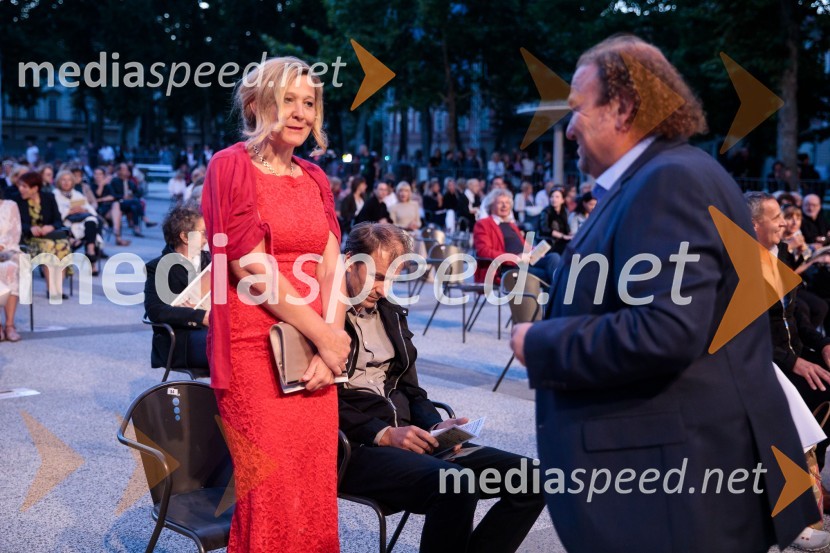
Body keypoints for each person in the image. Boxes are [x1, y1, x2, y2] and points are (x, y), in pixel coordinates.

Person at [509, 35, 817, 553]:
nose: (571, 124)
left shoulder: (668, 181)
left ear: (624, 108)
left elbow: (668, 328)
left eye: (580, 109)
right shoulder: (668, 175)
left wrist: (540, 340)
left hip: (675, 492)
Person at [202, 56, 350, 552]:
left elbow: (334, 269)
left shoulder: (315, 177)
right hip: (254, 354)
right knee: (269, 493)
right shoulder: (230, 165)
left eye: (308, 102)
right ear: (254, 103)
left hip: (316, 357)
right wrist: (327, 338)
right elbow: (251, 267)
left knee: (313, 493)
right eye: (288, 99)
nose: (300, 112)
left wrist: (333, 347)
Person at [338, 222, 545, 552]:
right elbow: (323, 401)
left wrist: (435, 425)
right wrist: (383, 433)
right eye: (377, 277)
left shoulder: (390, 313)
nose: (384, 288)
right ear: (349, 262)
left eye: (392, 278)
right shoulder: (325, 320)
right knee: (458, 486)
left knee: (533, 478)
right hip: (356, 448)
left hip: (411, 439)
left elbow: (411, 390)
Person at [143, 205, 210, 370]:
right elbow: (156, 311)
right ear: (185, 237)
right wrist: (199, 315)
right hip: (180, 339)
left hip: (212, 329)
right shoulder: (158, 267)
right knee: (229, 347)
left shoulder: (211, 260)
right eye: (203, 233)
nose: (207, 238)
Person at [472, 189, 558, 285]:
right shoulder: (483, 224)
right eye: (500, 203)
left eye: (507, 203)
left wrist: (535, 250)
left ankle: (558, 295)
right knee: (548, 274)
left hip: (525, 261)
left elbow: (522, 245)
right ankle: (559, 296)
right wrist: (514, 258)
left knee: (553, 257)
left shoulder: (511, 224)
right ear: (491, 205)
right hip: (506, 267)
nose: (505, 206)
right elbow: (483, 251)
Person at [15, 171, 72, 300]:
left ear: (35, 188)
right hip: (28, 239)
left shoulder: (48, 197)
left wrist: (50, 226)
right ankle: (52, 289)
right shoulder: (16, 200)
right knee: (49, 247)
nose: (20, 189)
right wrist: (30, 228)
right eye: (20, 186)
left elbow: (58, 220)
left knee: (62, 244)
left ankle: (57, 288)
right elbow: (14, 222)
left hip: (49, 236)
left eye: (24, 186)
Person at [53, 170, 102, 274]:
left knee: (91, 221)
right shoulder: (54, 195)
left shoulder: (77, 194)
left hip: (82, 222)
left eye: (69, 180)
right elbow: (55, 214)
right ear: (58, 181)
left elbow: (91, 210)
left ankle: (90, 250)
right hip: (66, 223)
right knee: (91, 233)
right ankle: (90, 255)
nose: (66, 182)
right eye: (63, 180)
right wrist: (69, 211)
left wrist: (84, 209)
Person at [0, 186, 22, 342]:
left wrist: (1, 246)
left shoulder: (10, 205)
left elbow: (15, 233)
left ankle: (9, 325)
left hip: (9, 249)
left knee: (10, 268)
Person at [92, 167, 130, 246]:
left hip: (108, 208)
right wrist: (101, 186)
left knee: (116, 206)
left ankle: (116, 230)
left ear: (104, 175)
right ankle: (118, 238)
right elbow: (97, 195)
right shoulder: (91, 185)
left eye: (100, 174)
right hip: (97, 210)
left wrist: (100, 199)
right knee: (117, 214)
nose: (98, 176)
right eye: (96, 174)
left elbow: (113, 197)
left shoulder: (108, 185)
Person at [538, 188, 572, 254]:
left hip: (561, 241)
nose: (554, 199)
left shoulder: (564, 212)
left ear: (562, 200)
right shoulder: (545, 212)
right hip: (549, 242)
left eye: (557, 197)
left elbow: (567, 229)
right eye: (552, 196)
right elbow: (544, 229)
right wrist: (562, 236)